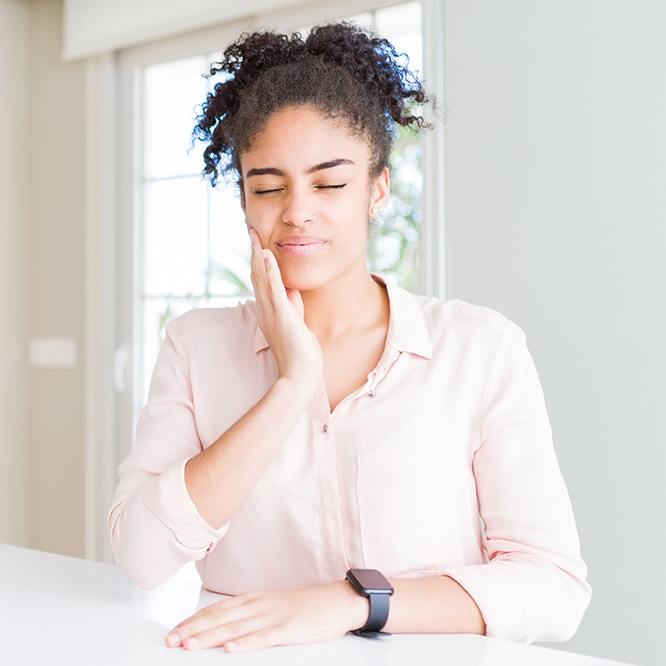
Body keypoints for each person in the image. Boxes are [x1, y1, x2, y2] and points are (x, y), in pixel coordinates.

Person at [107, 21, 592, 655]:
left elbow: (552, 587)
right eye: (268, 185)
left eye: (330, 183)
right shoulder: (195, 348)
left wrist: (350, 602)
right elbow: (141, 557)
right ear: (245, 199)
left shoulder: (479, 349)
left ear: (377, 189)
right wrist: (291, 387)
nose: (297, 211)